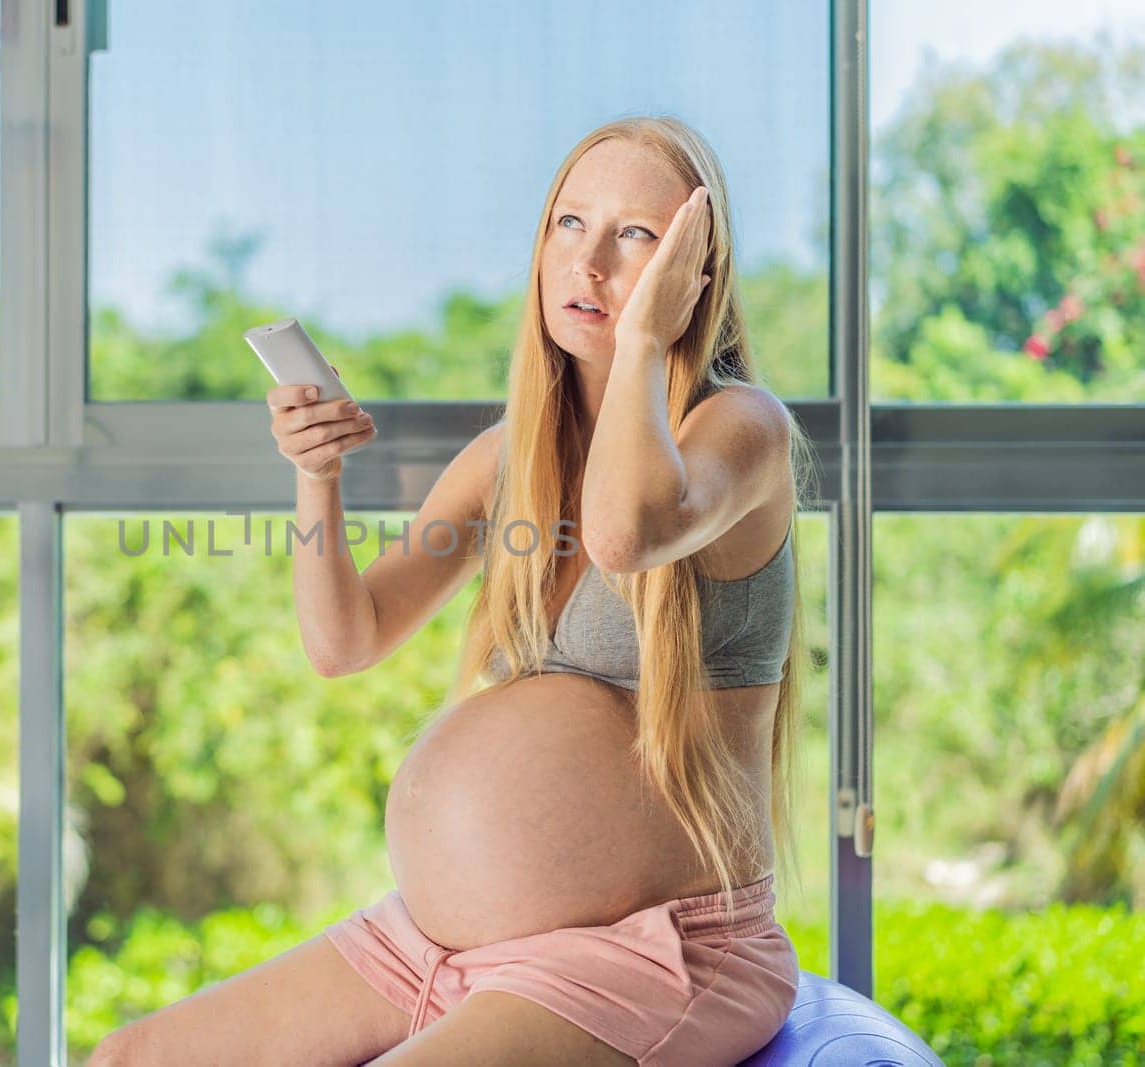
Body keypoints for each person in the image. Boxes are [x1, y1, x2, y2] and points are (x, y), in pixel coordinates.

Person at [89, 113, 817, 1067]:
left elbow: (627, 531)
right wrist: (319, 475)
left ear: (694, 273)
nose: (588, 261)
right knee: (129, 1057)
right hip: (445, 941)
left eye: (635, 236)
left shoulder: (742, 431)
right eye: (569, 223)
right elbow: (343, 641)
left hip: (657, 951)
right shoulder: (508, 461)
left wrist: (646, 340)